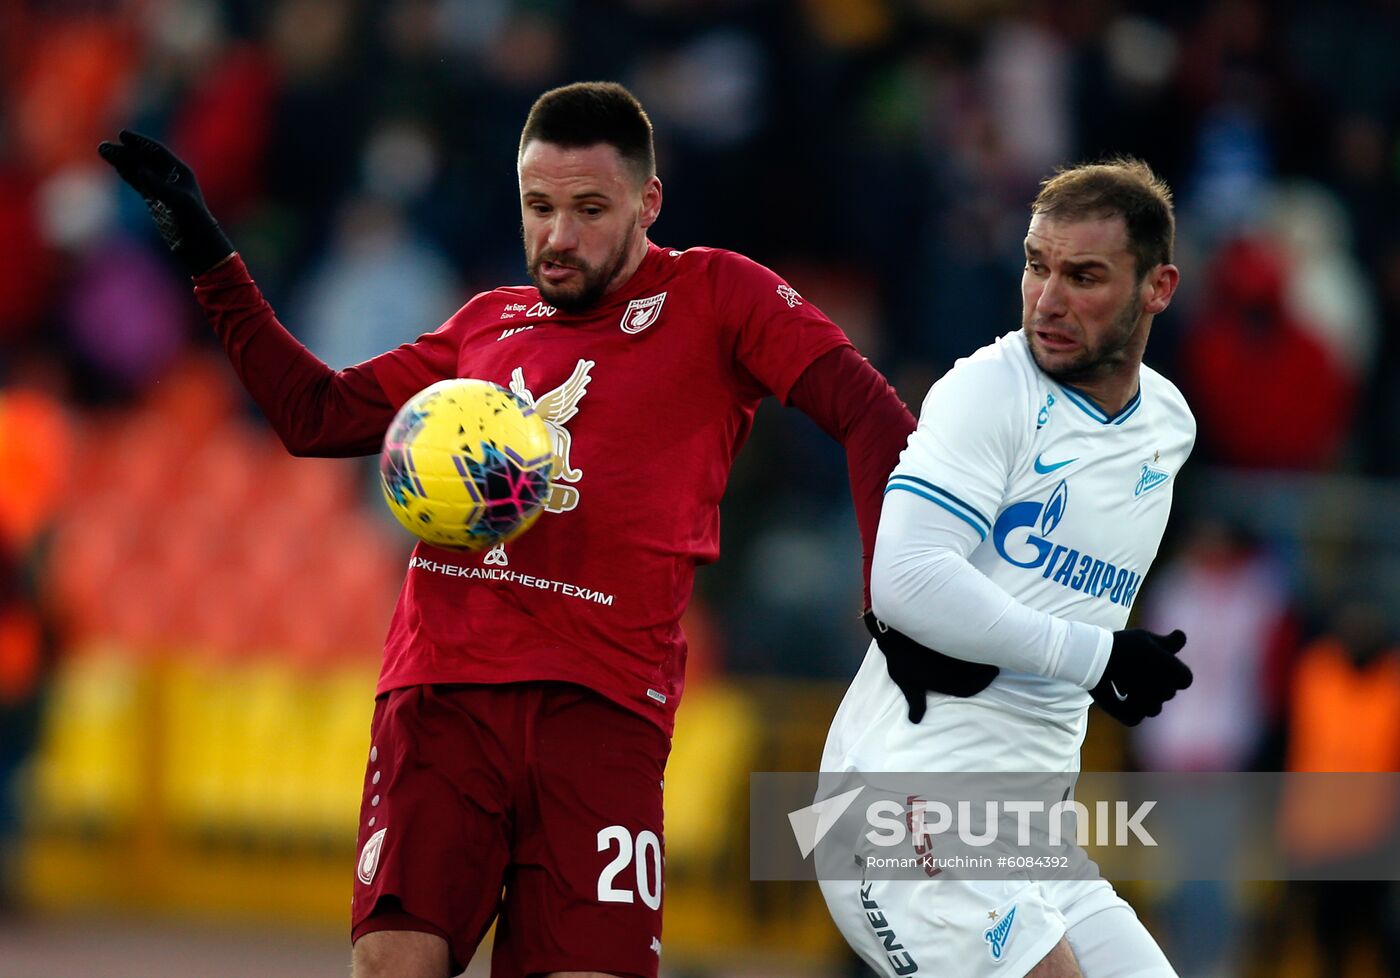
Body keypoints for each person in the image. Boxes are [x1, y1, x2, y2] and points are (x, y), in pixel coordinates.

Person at [99, 82, 917, 978]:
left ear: (648, 202)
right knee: (393, 963)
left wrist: (891, 597)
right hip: (444, 694)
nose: (558, 237)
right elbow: (313, 415)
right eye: (539, 207)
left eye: (589, 209)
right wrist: (207, 251)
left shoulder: (720, 295)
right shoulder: (486, 325)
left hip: (604, 711)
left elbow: (873, 418)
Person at [819, 159, 1195, 978]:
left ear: (1157, 287)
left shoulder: (1168, 425)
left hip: (1031, 833)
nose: (1048, 299)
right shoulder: (990, 391)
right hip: (897, 810)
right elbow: (907, 578)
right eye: (1036, 265)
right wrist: (1099, 657)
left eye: (1084, 275)